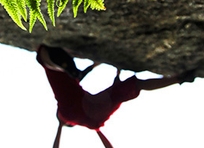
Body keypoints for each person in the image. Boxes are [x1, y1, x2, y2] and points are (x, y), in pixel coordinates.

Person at [37, 44, 195, 130]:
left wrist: (111, 74)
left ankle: (179, 78)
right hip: (70, 115)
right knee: (43, 57)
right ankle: (52, 60)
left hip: (96, 120)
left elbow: (104, 94)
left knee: (138, 85)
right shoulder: (66, 115)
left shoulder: (85, 118)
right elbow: (76, 82)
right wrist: (62, 122)